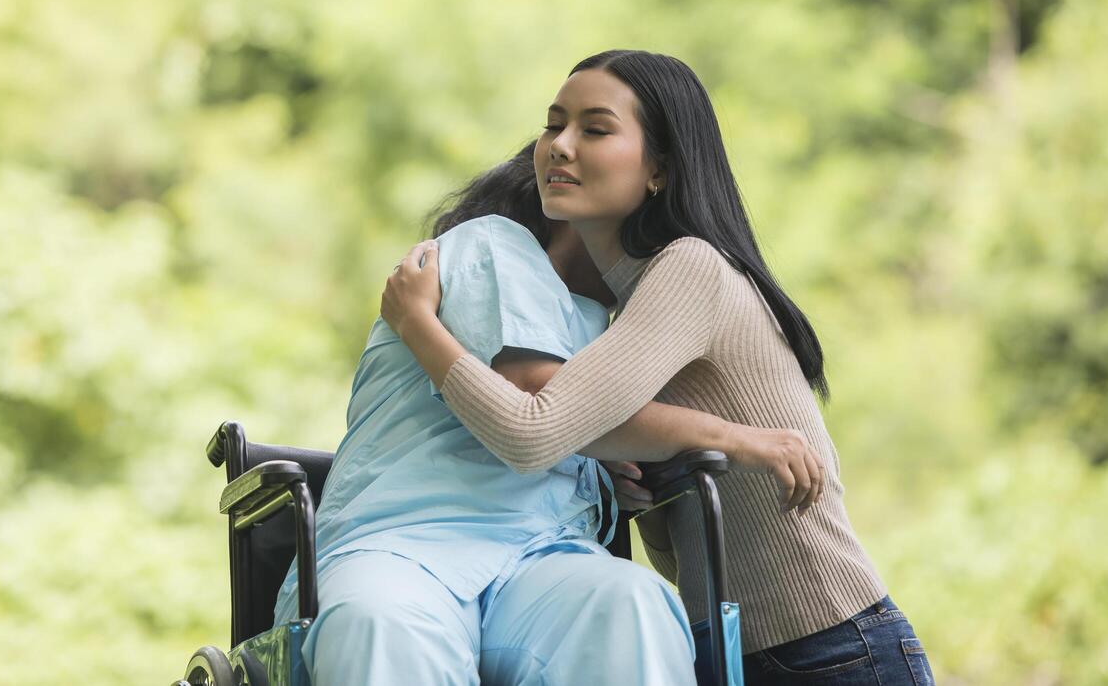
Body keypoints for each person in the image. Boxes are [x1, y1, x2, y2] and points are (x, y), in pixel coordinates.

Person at [381, 49, 937, 686]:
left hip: (831, 650)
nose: (560, 146)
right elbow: (679, 558)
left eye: (594, 128)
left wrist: (417, 324)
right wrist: (639, 489)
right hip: (730, 653)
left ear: (659, 171)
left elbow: (532, 430)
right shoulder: (624, 311)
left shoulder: (689, 269)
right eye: (552, 124)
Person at [273, 142, 825, 685]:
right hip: (405, 542)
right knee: (380, 624)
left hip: (539, 556)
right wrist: (731, 437)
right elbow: (540, 400)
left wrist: (605, 476)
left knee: (630, 603)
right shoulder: (493, 245)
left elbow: (568, 427)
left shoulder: (600, 323)